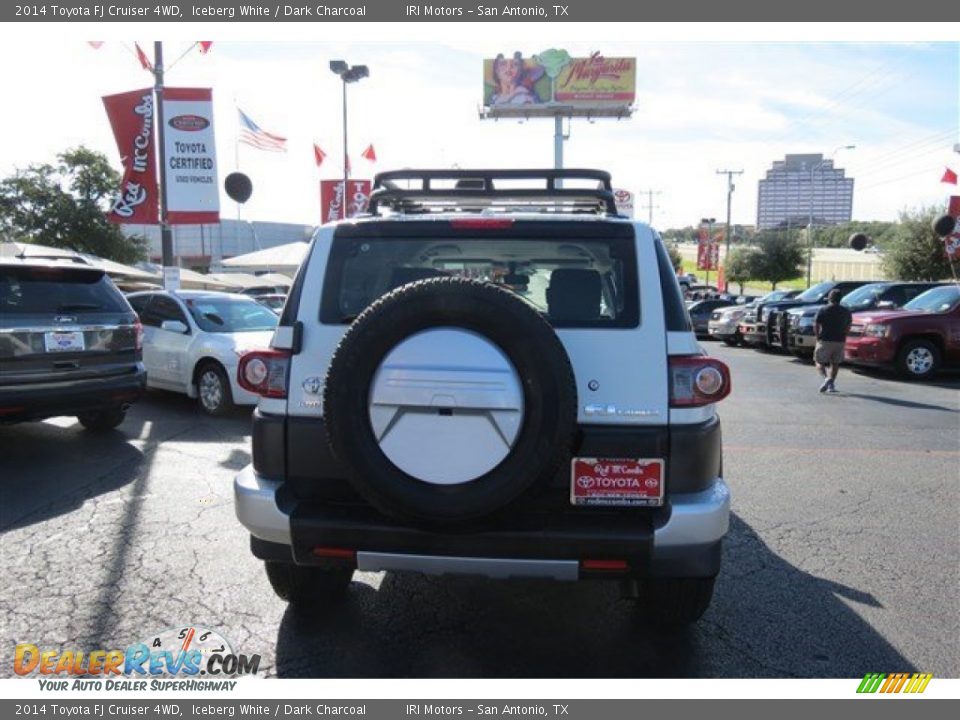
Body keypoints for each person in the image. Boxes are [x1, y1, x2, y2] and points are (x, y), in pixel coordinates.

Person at [814, 289, 852, 393]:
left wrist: (817, 336)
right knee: (835, 363)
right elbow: (848, 326)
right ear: (840, 299)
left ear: (830, 298)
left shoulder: (823, 309)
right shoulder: (846, 311)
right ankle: (831, 385)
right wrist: (844, 335)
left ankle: (826, 378)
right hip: (840, 340)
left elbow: (816, 324)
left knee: (819, 361)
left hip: (825, 339)